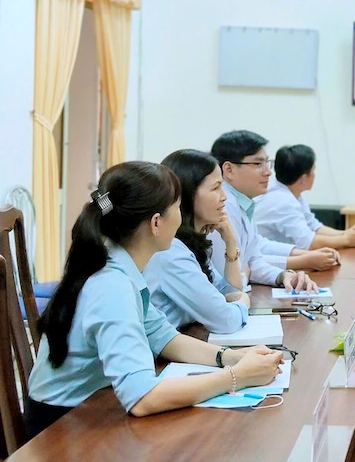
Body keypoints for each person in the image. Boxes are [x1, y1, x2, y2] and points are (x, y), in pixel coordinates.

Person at [26, 162, 283, 438]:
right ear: (156, 223)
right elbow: (142, 398)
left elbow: (164, 337)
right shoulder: (112, 286)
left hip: (90, 407)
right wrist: (238, 377)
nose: (180, 215)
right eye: (177, 206)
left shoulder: (117, 263)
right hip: (62, 429)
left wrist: (233, 358)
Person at [144, 150, 258, 333]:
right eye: (215, 188)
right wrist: (244, 301)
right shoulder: (170, 250)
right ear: (187, 194)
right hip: (159, 357)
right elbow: (226, 320)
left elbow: (229, 290)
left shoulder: (192, 243)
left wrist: (230, 242)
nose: (224, 196)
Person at [209, 130, 338, 289]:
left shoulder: (243, 203)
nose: (268, 172)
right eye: (257, 164)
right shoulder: (220, 207)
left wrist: (282, 275)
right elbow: (229, 284)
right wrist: (247, 273)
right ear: (229, 170)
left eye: (267, 163)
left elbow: (253, 260)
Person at [255, 144, 355, 251]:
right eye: (313, 170)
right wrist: (346, 240)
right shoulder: (283, 201)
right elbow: (308, 243)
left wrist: (346, 233)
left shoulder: (290, 191)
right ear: (303, 178)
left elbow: (314, 226)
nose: (314, 175)